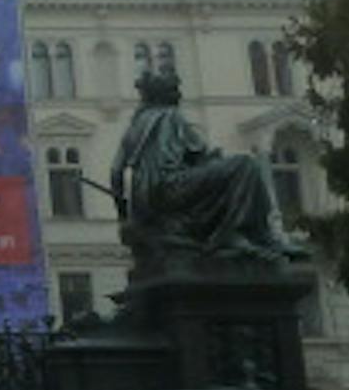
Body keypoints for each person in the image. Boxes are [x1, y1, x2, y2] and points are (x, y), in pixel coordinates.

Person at [111, 68, 309, 263]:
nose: (179, 96)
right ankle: (247, 235)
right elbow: (201, 155)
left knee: (233, 170)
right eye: (175, 92)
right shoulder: (170, 116)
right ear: (164, 96)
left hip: (150, 198)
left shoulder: (134, 126)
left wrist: (125, 215)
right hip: (172, 187)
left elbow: (115, 171)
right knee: (245, 166)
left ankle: (247, 236)